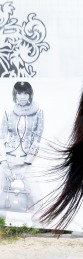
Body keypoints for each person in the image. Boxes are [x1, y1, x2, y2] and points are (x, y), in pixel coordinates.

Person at [0, 81, 44, 212]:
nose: (23, 96)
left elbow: (37, 139)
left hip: (26, 161)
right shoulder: (8, 112)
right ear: (15, 95)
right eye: (19, 93)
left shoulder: (38, 113)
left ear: (30, 95)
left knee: (36, 195)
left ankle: (36, 224)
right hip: (8, 160)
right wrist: (3, 163)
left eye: (26, 93)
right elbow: (1, 138)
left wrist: (27, 163)